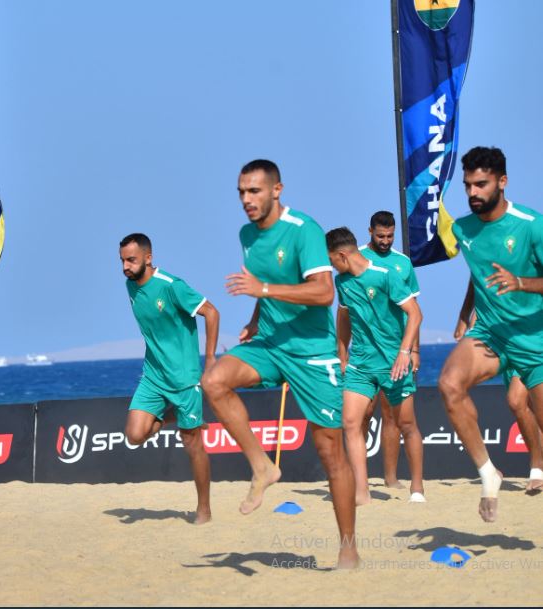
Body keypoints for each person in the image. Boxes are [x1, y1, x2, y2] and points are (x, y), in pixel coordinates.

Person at [201, 160, 358, 568]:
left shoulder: (304, 229)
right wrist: (255, 320)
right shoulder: (246, 235)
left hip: (312, 352)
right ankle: (262, 467)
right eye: (241, 192)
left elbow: (324, 293)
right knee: (214, 381)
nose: (246, 200)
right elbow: (261, 284)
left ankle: (347, 546)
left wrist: (264, 289)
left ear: (277, 190)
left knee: (330, 452)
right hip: (270, 343)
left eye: (254, 191)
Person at [439, 146, 543, 522]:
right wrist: (465, 313)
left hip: (536, 337)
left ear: (502, 182)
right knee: (450, 384)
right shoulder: (463, 229)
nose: (472, 193)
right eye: (467, 185)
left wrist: (521, 283)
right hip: (492, 332)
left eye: (480, 184)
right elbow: (477, 270)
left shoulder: (531, 224)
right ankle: (489, 473)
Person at [118, 233, 218, 524]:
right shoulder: (130, 286)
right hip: (153, 376)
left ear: (148, 258)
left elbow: (212, 313)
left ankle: (204, 508)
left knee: (192, 445)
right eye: (122, 260)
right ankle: (173, 417)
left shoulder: (173, 286)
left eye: (131, 260)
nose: (125, 266)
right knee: (135, 436)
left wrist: (210, 360)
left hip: (185, 380)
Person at [328, 227, 423, 506]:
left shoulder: (386, 274)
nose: (331, 265)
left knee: (407, 424)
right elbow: (344, 318)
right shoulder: (341, 283)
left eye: (331, 259)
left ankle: (417, 486)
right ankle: (361, 492)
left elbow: (415, 314)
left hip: (393, 362)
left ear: (342, 255)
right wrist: (342, 355)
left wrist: (407, 351)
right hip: (360, 364)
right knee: (350, 423)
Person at [454, 274, 543, 493]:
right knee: (525, 407)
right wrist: (466, 315)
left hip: (532, 336)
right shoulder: (488, 249)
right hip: (502, 336)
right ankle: (538, 465)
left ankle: (537, 468)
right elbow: (476, 280)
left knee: (516, 400)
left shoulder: (531, 246)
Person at [359, 212, 426, 494]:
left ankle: (390, 478)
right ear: (370, 231)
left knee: (391, 415)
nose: (385, 241)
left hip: (396, 350)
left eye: (390, 236)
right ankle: (356, 477)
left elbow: (414, 312)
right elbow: (344, 309)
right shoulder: (356, 260)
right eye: (380, 236)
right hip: (364, 350)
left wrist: (415, 350)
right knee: (361, 414)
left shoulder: (403, 263)